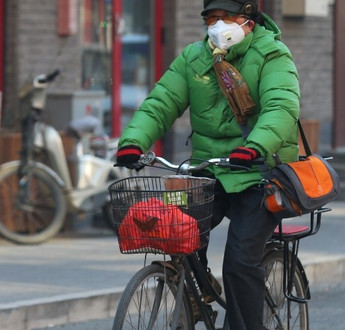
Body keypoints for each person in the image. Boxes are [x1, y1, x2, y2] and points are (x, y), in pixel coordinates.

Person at [115, 0, 300, 328]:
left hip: (259, 173)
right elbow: (162, 102)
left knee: (240, 262)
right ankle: (198, 296)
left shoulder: (272, 55)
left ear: (248, 21)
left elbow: (281, 108)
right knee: (173, 229)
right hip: (209, 172)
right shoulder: (194, 57)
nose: (216, 26)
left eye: (225, 17)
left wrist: (255, 146)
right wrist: (133, 141)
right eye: (210, 18)